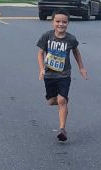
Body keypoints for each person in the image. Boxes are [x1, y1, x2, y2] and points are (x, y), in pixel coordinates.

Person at [36, 10, 88, 141]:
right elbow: (40, 53)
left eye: (64, 22)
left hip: (64, 75)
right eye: (58, 21)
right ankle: (57, 99)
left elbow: (76, 52)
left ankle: (62, 130)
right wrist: (42, 69)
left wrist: (81, 67)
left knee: (62, 100)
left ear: (68, 23)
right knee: (51, 101)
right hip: (49, 75)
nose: (61, 24)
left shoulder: (70, 39)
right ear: (52, 22)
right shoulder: (47, 36)